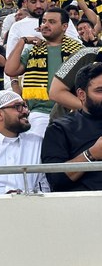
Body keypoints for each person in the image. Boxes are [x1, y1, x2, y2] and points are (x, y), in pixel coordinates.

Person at [6, 7, 82, 138]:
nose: (45, 25)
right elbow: (10, 70)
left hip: (72, 111)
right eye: (44, 21)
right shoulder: (33, 50)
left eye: (52, 22)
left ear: (64, 26)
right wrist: (22, 41)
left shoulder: (78, 50)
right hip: (40, 112)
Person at [42, 63, 102, 192]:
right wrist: (90, 155)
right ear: (81, 94)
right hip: (81, 204)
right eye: (100, 91)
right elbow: (55, 179)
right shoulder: (60, 129)